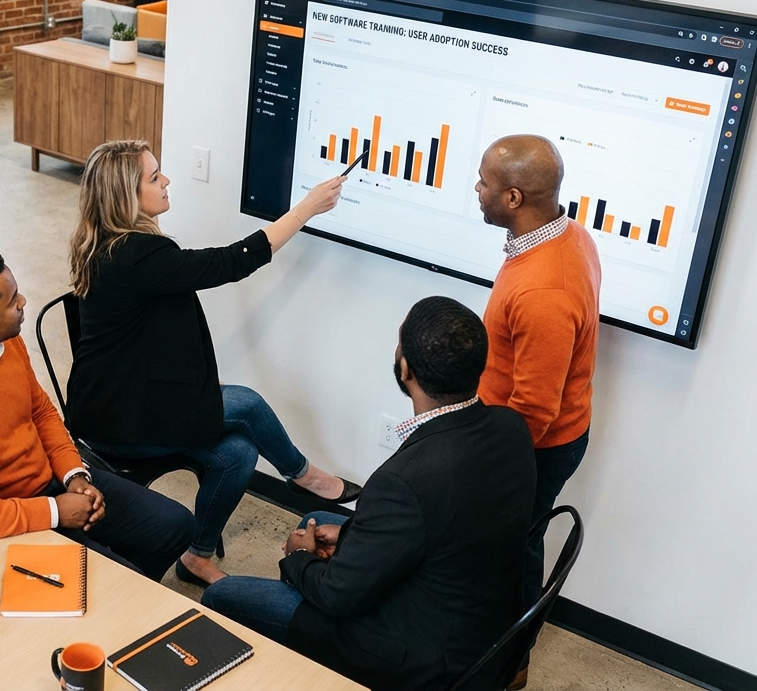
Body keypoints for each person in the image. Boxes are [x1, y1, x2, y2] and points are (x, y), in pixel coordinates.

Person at [201, 296, 537, 691]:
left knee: (224, 595)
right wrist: (352, 537)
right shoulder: (510, 427)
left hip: (427, 661)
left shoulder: (403, 480)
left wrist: (299, 558)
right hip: (485, 626)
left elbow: (336, 596)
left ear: (405, 368)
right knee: (324, 522)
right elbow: (447, 523)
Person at [65, 139, 359, 587]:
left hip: (131, 395)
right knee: (247, 404)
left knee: (237, 454)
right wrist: (306, 209)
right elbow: (230, 263)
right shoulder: (135, 256)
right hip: (118, 417)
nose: (166, 181)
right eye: (154, 177)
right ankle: (306, 476)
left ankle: (196, 557)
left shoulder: (112, 244)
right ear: (126, 195)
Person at [0, 248, 194, 581]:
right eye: (11, 302)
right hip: (5, 516)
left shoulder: (5, 343)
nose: (22, 302)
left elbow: (41, 411)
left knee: (176, 527)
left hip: (52, 482)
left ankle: (117, 583)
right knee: (119, 582)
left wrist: (74, 476)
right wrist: (54, 513)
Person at [473, 134, 601, 611]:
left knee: (512, 551)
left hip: (534, 445)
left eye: (484, 183)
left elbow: (533, 409)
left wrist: (487, 465)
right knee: (515, 543)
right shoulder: (564, 234)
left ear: (513, 198)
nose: (477, 189)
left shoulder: (544, 290)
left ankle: (508, 663)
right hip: (528, 432)